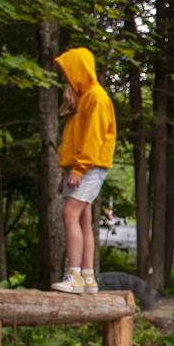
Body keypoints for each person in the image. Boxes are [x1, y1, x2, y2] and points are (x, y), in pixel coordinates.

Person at [50, 47, 117, 294]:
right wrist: (65, 173)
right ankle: (88, 277)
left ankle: (75, 276)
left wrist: (79, 169)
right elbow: (72, 141)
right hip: (79, 167)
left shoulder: (97, 98)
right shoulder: (82, 99)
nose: (66, 78)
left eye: (69, 72)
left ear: (80, 71)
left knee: (69, 213)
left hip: (89, 166)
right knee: (83, 218)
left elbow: (93, 139)